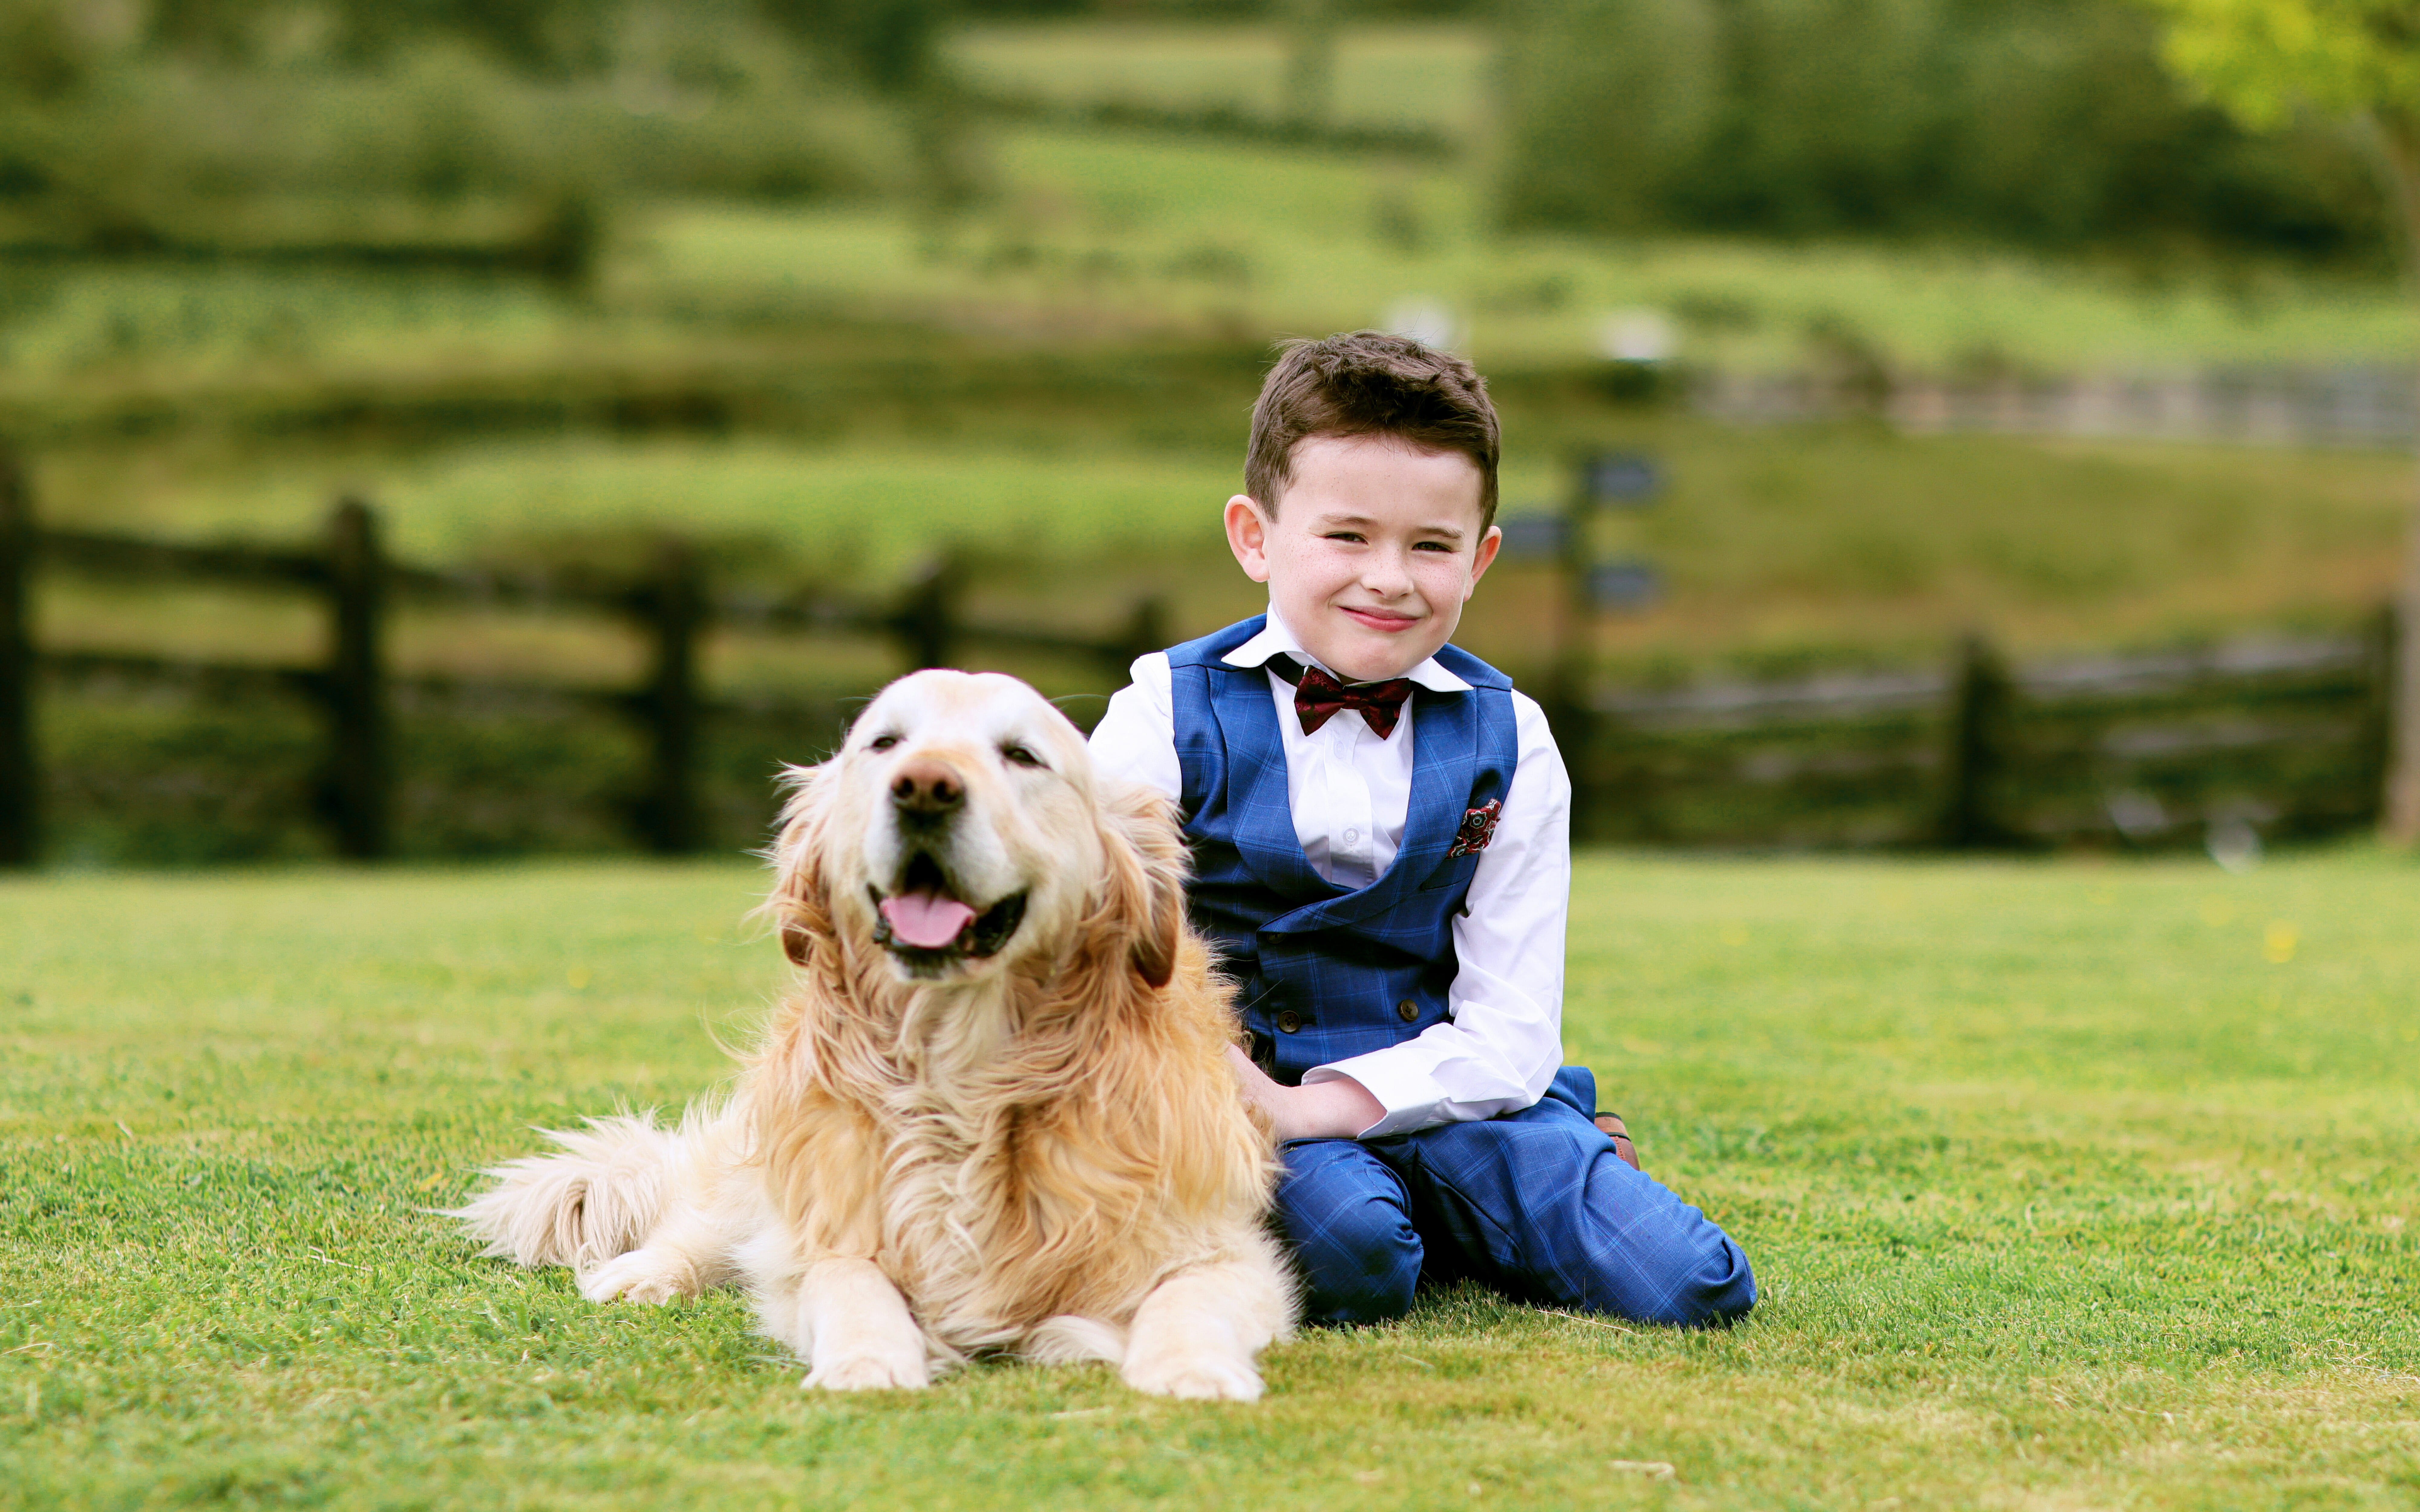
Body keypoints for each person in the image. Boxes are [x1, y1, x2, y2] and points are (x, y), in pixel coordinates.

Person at [1088, 331, 1755, 1328]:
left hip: (1451, 1095)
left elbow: (1513, 1025)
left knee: (1695, 1282)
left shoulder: (1512, 736)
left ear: (1481, 557)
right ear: (1254, 536)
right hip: (1242, 1095)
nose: (1390, 579)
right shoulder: (1161, 709)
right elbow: (1097, 939)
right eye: (1347, 537)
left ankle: (1508, 1178)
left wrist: (1320, 1106)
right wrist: (1238, 1095)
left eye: (1431, 546)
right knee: (1362, 1262)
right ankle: (1427, 1214)